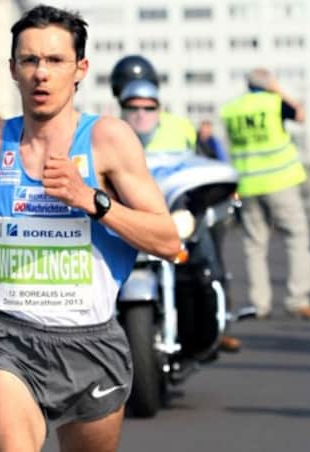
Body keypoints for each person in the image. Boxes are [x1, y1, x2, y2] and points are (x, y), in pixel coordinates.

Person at [0, 6, 180, 451]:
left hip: (91, 342)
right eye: (29, 60)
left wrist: (92, 200)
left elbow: (168, 240)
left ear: (80, 69)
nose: (41, 74)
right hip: (8, 335)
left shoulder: (109, 139)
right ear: (13, 69)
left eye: (54, 61)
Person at [113, 56, 241, 352]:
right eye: (132, 105)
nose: (140, 113)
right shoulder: (110, 130)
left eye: (148, 107)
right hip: (130, 217)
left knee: (207, 257)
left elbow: (196, 164)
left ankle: (218, 322)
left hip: (176, 213)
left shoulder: (180, 127)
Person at [221, 68, 310, 320]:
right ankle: (297, 299)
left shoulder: (232, 109)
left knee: (254, 245)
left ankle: (260, 303)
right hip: (279, 181)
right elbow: (299, 114)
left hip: (247, 183)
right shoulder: (273, 103)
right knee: (296, 237)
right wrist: (278, 89)